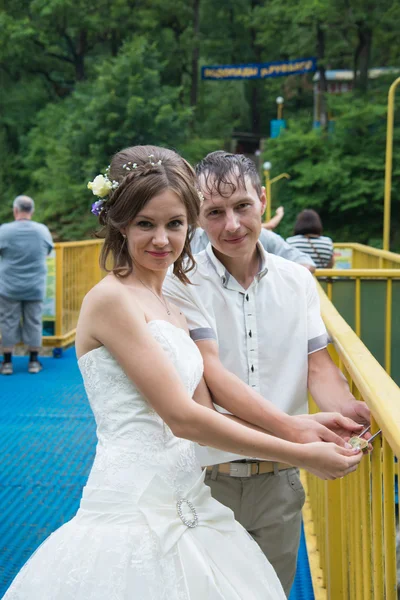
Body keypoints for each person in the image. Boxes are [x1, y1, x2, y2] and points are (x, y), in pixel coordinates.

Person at [3, 146, 363, 600]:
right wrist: (302, 448)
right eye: (145, 224)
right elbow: (184, 419)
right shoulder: (112, 299)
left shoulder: (170, 305)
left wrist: (309, 424)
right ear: (120, 224)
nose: (162, 239)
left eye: (174, 224)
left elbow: (205, 413)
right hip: (134, 505)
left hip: (186, 497)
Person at [163, 151, 370, 596]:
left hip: (281, 481)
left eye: (241, 206)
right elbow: (211, 375)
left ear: (262, 201)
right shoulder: (181, 283)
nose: (232, 225)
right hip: (207, 477)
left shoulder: (298, 280)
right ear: (198, 218)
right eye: (214, 213)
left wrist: (348, 412)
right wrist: (300, 438)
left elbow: (319, 368)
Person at [0, 195, 53, 375]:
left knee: (8, 321)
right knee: (34, 321)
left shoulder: (5, 231)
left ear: (15, 210)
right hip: (34, 285)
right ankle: (33, 362)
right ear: (32, 211)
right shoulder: (42, 230)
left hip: (9, 285)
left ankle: (7, 363)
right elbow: (47, 252)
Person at [191, 225, 316, 272]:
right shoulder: (189, 239)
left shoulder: (264, 236)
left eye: (241, 206)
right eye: (216, 211)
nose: (232, 225)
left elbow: (304, 261)